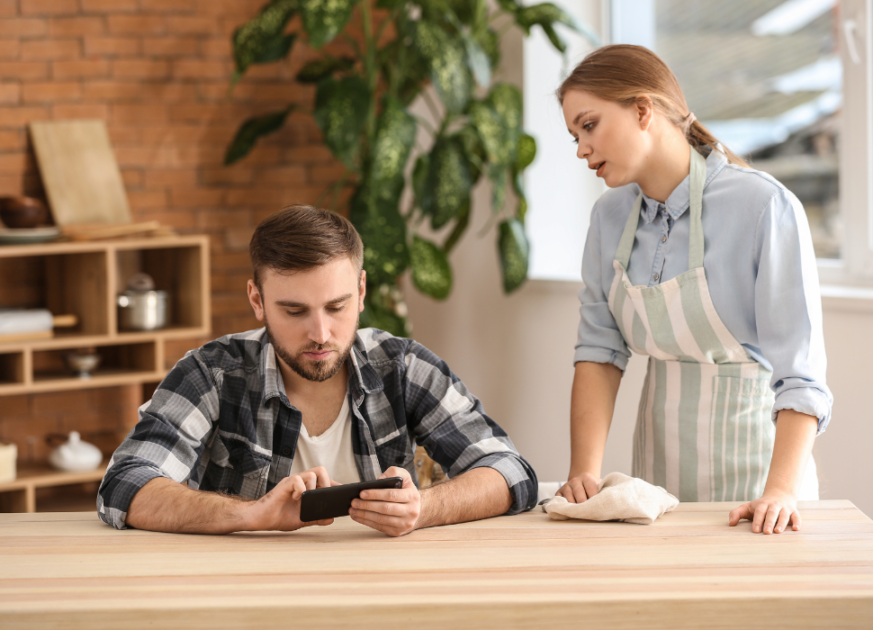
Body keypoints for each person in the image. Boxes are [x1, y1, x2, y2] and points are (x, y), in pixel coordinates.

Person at [97, 205, 537, 536]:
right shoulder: (210, 373)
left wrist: (422, 507)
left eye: (336, 306)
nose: (321, 333)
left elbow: (510, 470)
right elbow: (125, 484)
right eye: (294, 311)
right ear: (257, 300)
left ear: (361, 291)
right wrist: (250, 515)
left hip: (385, 594)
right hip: (246, 598)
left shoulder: (401, 366)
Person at [555, 45, 832, 535]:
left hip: (757, 492)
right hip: (656, 495)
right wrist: (584, 472)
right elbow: (599, 350)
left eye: (589, 125)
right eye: (575, 134)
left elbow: (801, 377)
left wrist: (780, 492)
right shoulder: (609, 217)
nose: (580, 148)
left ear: (643, 109)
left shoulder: (764, 207)